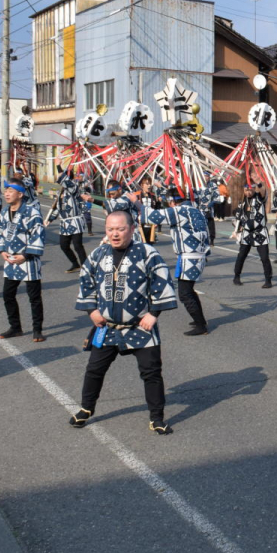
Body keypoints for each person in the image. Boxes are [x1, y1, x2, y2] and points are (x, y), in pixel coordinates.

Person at [71, 210, 178, 435]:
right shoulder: (99, 253)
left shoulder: (147, 253)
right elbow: (85, 280)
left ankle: (157, 418)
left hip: (140, 326)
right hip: (107, 327)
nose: (115, 234)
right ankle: (86, 409)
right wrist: (91, 310)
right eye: (110, 229)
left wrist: (154, 313)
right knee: (94, 370)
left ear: (131, 228)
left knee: (151, 372)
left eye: (120, 229)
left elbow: (162, 280)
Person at [143, 188, 211, 336]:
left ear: (172, 201)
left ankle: (201, 325)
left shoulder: (180, 211)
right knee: (189, 290)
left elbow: (152, 216)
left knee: (184, 293)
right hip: (195, 255)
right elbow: (208, 233)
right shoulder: (195, 210)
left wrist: (135, 203)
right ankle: (200, 320)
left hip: (190, 256)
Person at [0, 178, 46, 342]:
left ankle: (37, 329)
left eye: (10, 191)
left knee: (34, 297)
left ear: (20, 193)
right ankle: (15, 327)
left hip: (28, 260)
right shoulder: (4, 212)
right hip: (10, 260)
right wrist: (2, 250)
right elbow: (0, 232)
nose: (7, 194)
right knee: (7, 295)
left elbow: (38, 235)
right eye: (6, 191)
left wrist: (25, 255)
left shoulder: (32, 212)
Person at [231, 180, 273, 288]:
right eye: (246, 190)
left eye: (250, 189)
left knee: (264, 257)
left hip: (260, 232)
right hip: (247, 233)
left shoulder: (259, 198)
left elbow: (263, 191)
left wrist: (259, 184)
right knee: (241, 255)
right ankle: (236, 276)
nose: (248, 192)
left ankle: (268, 279)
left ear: (254, 189)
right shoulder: (242, 202)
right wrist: (237, 230)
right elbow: (238, 218)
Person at [46, 167, 89, 273]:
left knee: (77, 246)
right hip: (65, 222)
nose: (59, 178)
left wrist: (59, 167)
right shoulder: (60, 192)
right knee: (64, 245)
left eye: (61, 177)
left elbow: (68, 184)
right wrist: (50, 219)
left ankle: (86, 267)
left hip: (75, 221)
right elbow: (57, 208)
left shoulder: (74, 188)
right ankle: (75, 263)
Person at [138, 175, 161, 244]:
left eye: (150, 184)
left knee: (150, 244)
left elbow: (157, 210)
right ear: (142, 185)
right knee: (141, 244)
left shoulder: (153, 196)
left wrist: (157, 221)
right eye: (147, 184)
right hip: (139, 224)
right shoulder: (137, 196)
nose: (149, 186)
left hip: (151, 224)